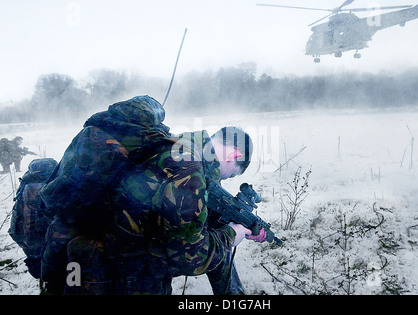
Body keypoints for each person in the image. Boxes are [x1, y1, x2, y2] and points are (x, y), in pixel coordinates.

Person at [40, 95, 265, 295]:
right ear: (234, 154)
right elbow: (191, 259)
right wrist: (231, 234)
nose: (223, 181)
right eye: (231, 174)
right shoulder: (188, 169)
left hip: (81, 255)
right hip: (121, 275)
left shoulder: (171, 145)